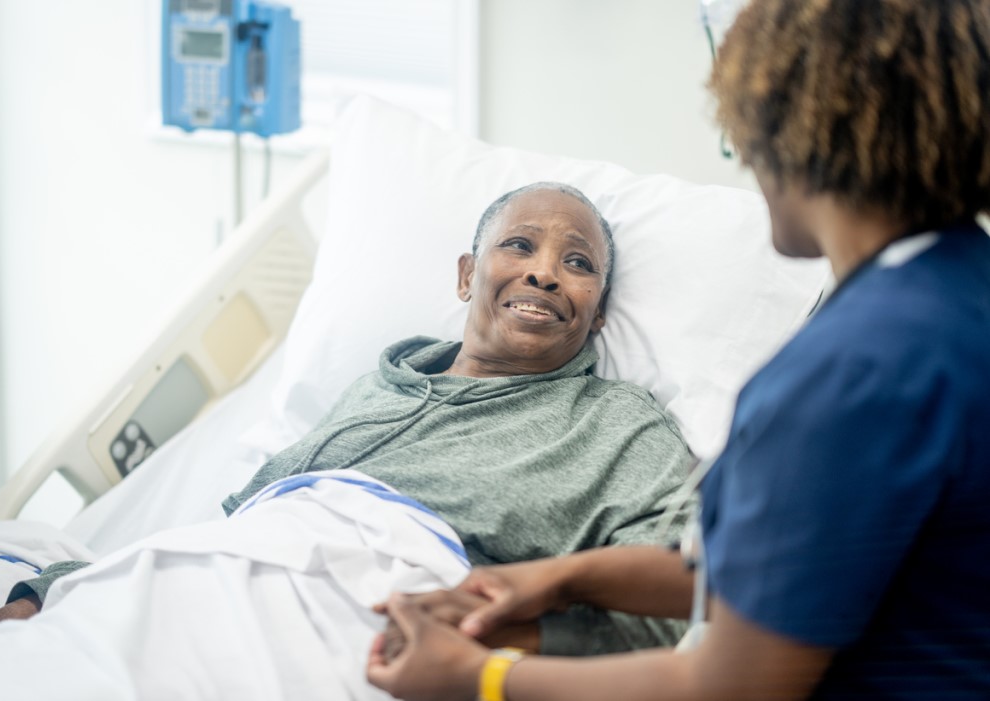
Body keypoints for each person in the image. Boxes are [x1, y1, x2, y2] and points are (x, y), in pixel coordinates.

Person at [365, 1, 990, 699]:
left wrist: (476, 675)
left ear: (785, 123)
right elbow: (782, 562)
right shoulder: (960, 290)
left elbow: (730, 685)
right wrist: (563, 574)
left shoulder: (856, 368)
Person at [0, 182, 694, 661]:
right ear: (467, 275)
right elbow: (224, 531)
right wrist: (38, 596)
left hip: (372, 623)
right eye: (520, 245)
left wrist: (497, 642)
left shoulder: (617, 430)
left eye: (578, 263)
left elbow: (685, 604)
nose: (542, 271)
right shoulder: (376, 391)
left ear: (597, 316)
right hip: (213, 582)